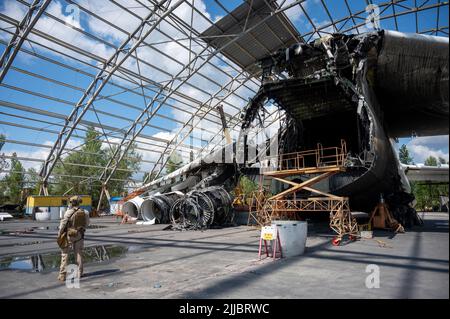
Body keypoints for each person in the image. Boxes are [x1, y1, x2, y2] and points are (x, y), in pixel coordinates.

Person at [57, 195, 89, 282]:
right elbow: (86, 224)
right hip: (79, 235)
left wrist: (59, 234)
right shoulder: (85, 212)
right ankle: (80, 272)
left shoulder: (68, 212)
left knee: (65, 254)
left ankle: (62, 275)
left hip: (69, 235)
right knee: (79, 253)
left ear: (71, 203)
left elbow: (63, 224)